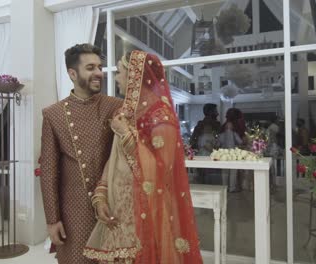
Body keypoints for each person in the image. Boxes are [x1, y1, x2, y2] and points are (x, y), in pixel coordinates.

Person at [83, 50, 203, 263]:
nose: (117, 77)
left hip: (148, 212)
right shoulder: (127, 113)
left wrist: (126, 135)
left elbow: (160, 171)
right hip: (119, 211)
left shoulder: (161, 117)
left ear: (134, 76)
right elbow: (114, 159)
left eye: (120, 72)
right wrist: (101, 194)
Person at [40, 43, 123, 264]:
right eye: (90, 68)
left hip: (113, 206)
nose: (98, 73)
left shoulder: (116, 107)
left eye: (100, 67)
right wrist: (52, 219)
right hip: (73, 211)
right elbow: (49, 170)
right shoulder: (53, 114)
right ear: (72, 73)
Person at [218, 107, 246, 192]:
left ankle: (224, 187)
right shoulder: (235, 132)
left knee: (224, 171)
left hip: (223, 153)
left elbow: (218, 142)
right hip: (233, 152)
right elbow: (240, 142)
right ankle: (232, 187)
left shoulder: (222, 133)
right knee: (233, 170)